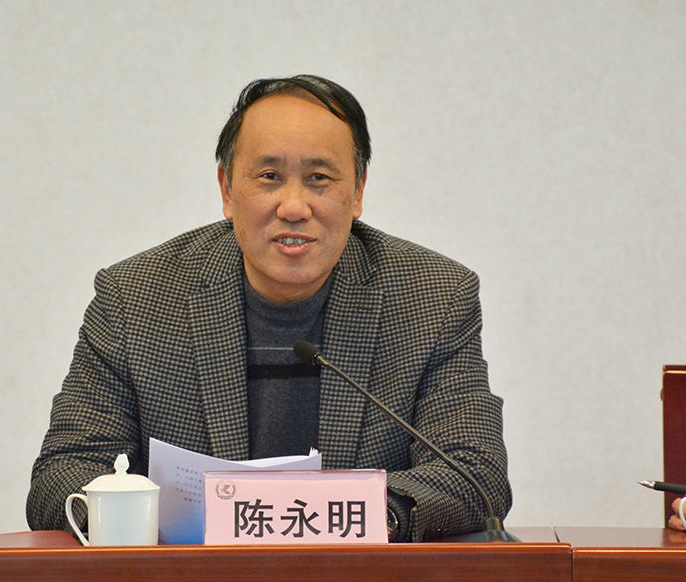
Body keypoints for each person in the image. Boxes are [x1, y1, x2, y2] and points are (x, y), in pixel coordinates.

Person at [26, 74, 512, 542]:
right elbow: (61, 475)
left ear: (358, 191)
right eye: (270, 177)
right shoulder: (137, 299)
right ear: (227, 190)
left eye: (319, 178)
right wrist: (138, 517)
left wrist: (364, 520)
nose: (294, 207)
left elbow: (474, 473)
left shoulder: (433, 298)